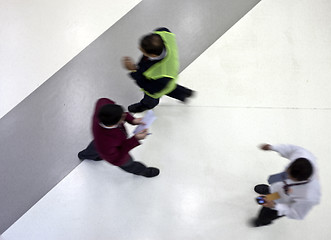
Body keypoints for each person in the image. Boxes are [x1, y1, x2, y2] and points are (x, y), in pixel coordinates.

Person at [78, 98, 159, 178]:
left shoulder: (103, 104)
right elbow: (117, 159)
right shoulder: (106, 142)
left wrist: (133, 120)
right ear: (114, 123)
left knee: (96, 145)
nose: (126, 114)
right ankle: (143, 171)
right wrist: (135, 139)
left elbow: (115, 110)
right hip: (113, 152)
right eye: (123, 117)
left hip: (102, 142)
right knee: (128, 163)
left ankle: (85, 154)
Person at [122, 27, 194, 113]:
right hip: (168, 82)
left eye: (142, 50)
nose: (139, 48)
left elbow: (150, 89)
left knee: (151, 99)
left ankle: (145, 105)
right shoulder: (164, 34)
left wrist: (134, 70)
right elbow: (163, 30)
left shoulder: (163, 74)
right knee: (171, 87)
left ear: (153, 55)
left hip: (158, 87)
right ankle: (185, 93)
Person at [251, 143, 321, 227]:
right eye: (288, 170)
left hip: (285, 201)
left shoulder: (309, 196)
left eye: (290, 177)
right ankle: (270, 191)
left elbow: (296, 213)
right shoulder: (302, 155)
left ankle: (263, 221)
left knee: (266, 214)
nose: (287, 176)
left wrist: (274, 205)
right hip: (280, 190)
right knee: (276, 188)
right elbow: (291, 149)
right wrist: (273, 147)